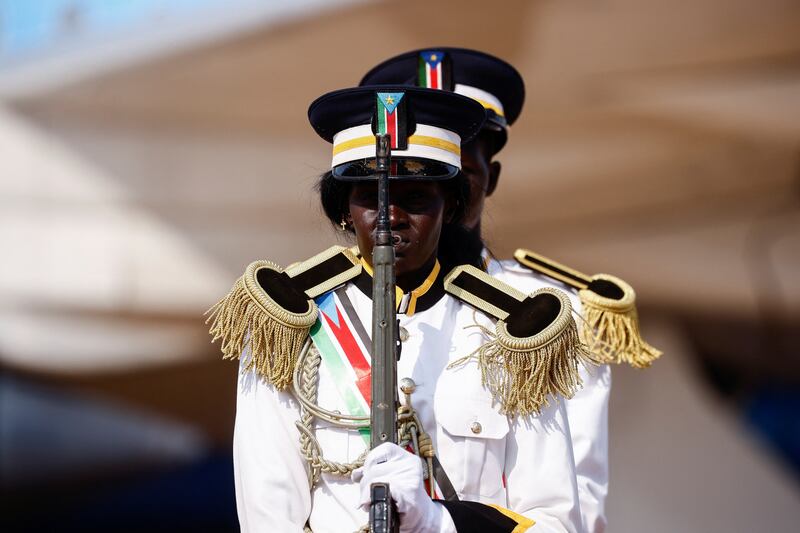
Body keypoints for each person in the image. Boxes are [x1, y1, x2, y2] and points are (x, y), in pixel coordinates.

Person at [208, 85, 594, 532]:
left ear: (449, 206)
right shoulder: (288, 321)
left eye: (416, 199)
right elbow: (269, 516)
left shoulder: (516, 335)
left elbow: (556, 523)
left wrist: (439, 523)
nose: (392, 216)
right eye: (370, 197)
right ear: (344, 212)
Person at [361, 48, 660, 533]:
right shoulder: (327, 310)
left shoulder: (553, 317)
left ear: (491, 178)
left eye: (461, 176)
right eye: (422, 180)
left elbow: (573, 516)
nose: (446, 197)